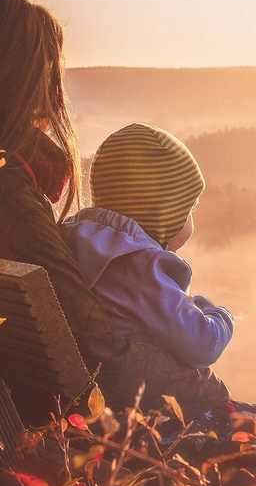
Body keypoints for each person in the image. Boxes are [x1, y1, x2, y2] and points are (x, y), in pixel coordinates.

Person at [0, 0, 229, 422]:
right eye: (46, 76)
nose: (51, 95)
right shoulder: (4, 195)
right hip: (42, 421)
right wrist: (205, 386)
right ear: (20, 81)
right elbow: (99, 353)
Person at [63, 123, 235, 408]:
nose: (192, 217)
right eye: (189, 208)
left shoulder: (76, 234)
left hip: (95, 389)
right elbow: (203, 344)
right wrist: (218, 313)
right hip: (137, 403)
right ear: (164, 213)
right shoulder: (143, 267)